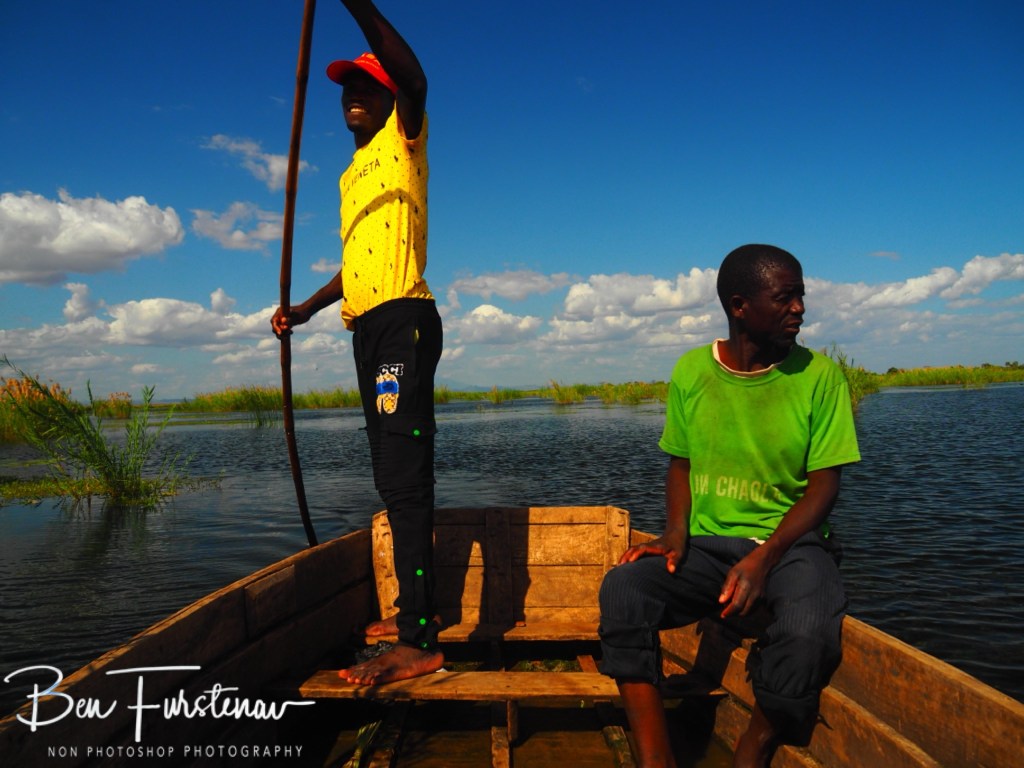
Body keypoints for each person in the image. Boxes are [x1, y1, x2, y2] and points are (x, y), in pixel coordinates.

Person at [598, 244, 861, 768]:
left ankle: (754, 745)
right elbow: (681, 464)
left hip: (792, 547)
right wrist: (675, 534)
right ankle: (656, 760)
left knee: (808, 630)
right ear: (739, 306)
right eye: (785, 298)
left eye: (801, 296)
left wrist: (765, 559)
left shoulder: (820, 377)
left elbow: (824, 487)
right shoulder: (693, 371)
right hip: (709, 547)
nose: (800, 309)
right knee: (624, 588)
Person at [271, 0, 443, 685]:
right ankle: (409, 615)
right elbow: (354, 265)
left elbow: (417, 78)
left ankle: (420, 638)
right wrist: (306, 310)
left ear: (390, 96)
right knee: (389, 477)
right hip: (365, 328)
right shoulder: (351, 176)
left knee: (405, 482)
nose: (354, 95)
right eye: (347, 87)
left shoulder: (406, 137)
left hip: (406, 319)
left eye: (368, 84)